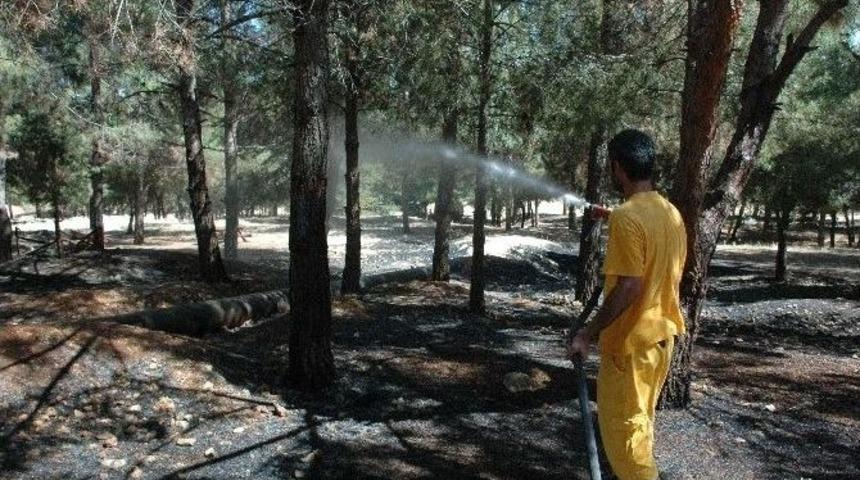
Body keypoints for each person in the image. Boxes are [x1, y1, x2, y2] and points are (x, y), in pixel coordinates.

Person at [567, 129, 687, 480]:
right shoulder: (669, 213)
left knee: (628, 451)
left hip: (629, 351)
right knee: (640, 430)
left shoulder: (628, 217)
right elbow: (653, 255)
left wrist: (587, 334)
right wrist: (614, 217)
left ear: (617, 167)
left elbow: (630, 286)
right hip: (660, 344)